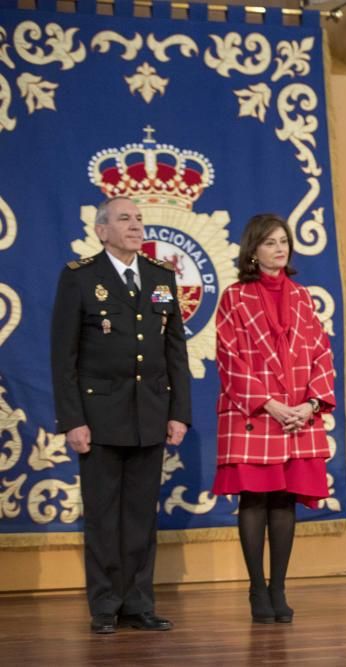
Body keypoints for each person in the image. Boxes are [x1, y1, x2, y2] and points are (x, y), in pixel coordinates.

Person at [51, 196, 192, 634]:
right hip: (99, 417)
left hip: (149, 413)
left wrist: (179, 413)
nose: (135, 225)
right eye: (124, 219)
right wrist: (73, 419)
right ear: (101, 230)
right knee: (103, 515)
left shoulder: (160, 276)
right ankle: (105, 606)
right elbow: (64, 357)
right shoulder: (80, 278)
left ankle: (138, 603)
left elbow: (176, 354)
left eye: (138, 219)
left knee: (140, 516)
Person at [212, 214, 336, 624]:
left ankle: (278, 587)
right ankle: (256, 588)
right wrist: (268, 403)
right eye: (269, 242)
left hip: (298, 414)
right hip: (256, 413)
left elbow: (321, 352)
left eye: (283, 241)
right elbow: (230, 358)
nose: (279, 248)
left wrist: (311, 404)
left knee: (284, 499)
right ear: (253, 250)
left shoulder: (302, 296)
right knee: (254, 498)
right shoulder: (234, 296)